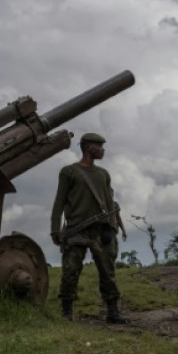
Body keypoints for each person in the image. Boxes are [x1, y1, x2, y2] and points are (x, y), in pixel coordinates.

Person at [50, 133, 128, 324]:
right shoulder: (69, 172)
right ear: (87, 148)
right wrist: (55, 229)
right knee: (70, 272)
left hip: (101, 230)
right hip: (76, 230)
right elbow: (59, 202)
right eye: (99, 146)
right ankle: (66, 313)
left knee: (108, 272)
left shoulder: (103, 174)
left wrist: (111, 227)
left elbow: (109, 203)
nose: (102, 150)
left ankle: (113, 312)